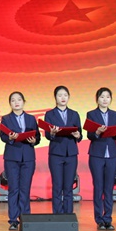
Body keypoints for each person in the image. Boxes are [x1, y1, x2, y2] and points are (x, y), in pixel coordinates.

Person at [0, 91, 40, 230]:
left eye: (19, 100)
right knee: (13, 189)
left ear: (23, 101)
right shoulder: (6, 119)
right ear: (10, 103)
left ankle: (25, 217)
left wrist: (34, 140)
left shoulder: (31, 119)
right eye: (13, 100)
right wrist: (10, 138)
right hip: (12, 157)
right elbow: (2, 136)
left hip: (28, 157)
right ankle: (13, 219)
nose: (16, 102)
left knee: (25, 188)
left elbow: (37, 137)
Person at [86, 87, 116, 231]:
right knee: (98, 187)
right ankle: (99, 219)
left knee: (109, 187)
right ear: (97, 99)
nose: (105, 99)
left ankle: (108, 218)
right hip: (96, 154)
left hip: (112, 154)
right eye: (102, 97)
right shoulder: (91, 114)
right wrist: (97, 132)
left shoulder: (115, 114)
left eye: (107, 97)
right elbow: (90, 135)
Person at [44, 85, 82, 214]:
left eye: (65, 95)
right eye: (60, 95)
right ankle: (57, 215)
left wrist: (78, 135)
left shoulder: (74, 114)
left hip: (71, 154)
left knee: (68, 186)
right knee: (57, 186)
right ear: (55, 97)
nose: (63, 98)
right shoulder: (50, 114)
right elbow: (48, 135)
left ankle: (68, 215)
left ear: (69, 97)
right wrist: (53, 133)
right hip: (56, 153)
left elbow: (80, 135)